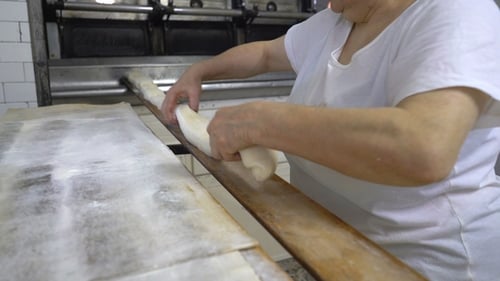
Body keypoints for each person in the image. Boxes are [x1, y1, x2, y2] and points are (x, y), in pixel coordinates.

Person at [161, 0, 500, 280]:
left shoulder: (457, 12)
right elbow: (264, 54)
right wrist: (201, 70)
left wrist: (262, 123)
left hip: (427, 263)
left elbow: (424, 148)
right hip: (335, 250)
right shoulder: (334, 22)